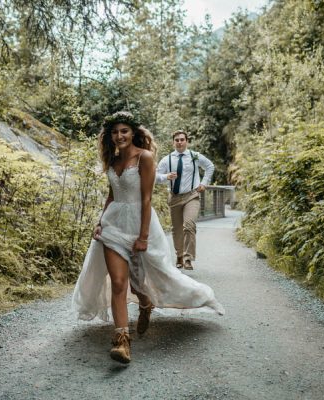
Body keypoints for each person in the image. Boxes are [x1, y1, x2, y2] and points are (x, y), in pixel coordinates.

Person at [72, 112, 224, 364]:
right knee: (119, 283)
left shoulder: (145, 157)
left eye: (124, 131)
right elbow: (111, 196)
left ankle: (145, 304)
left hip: (140, 224)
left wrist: (143, 236)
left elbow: (146, 199)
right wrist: (99, 223)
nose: (119, 136)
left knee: (138, 282)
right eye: (114, 132)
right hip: (112, 225)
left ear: (133, 133)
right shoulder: (112, 159)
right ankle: (122, 342)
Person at [156, 130, 215, 270]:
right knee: (177, 229)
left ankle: (188, 258)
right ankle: (179, 255)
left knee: (189, 225)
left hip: (191, 195)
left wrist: (204, 182)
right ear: (173, 142)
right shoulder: (167, 159)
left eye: (182, 139)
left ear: (186, 141)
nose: (179, 142)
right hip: (175, 197)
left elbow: (209, 166)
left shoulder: (195, 156)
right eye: (177, 140)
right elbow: (156, 176)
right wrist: (166, 177)